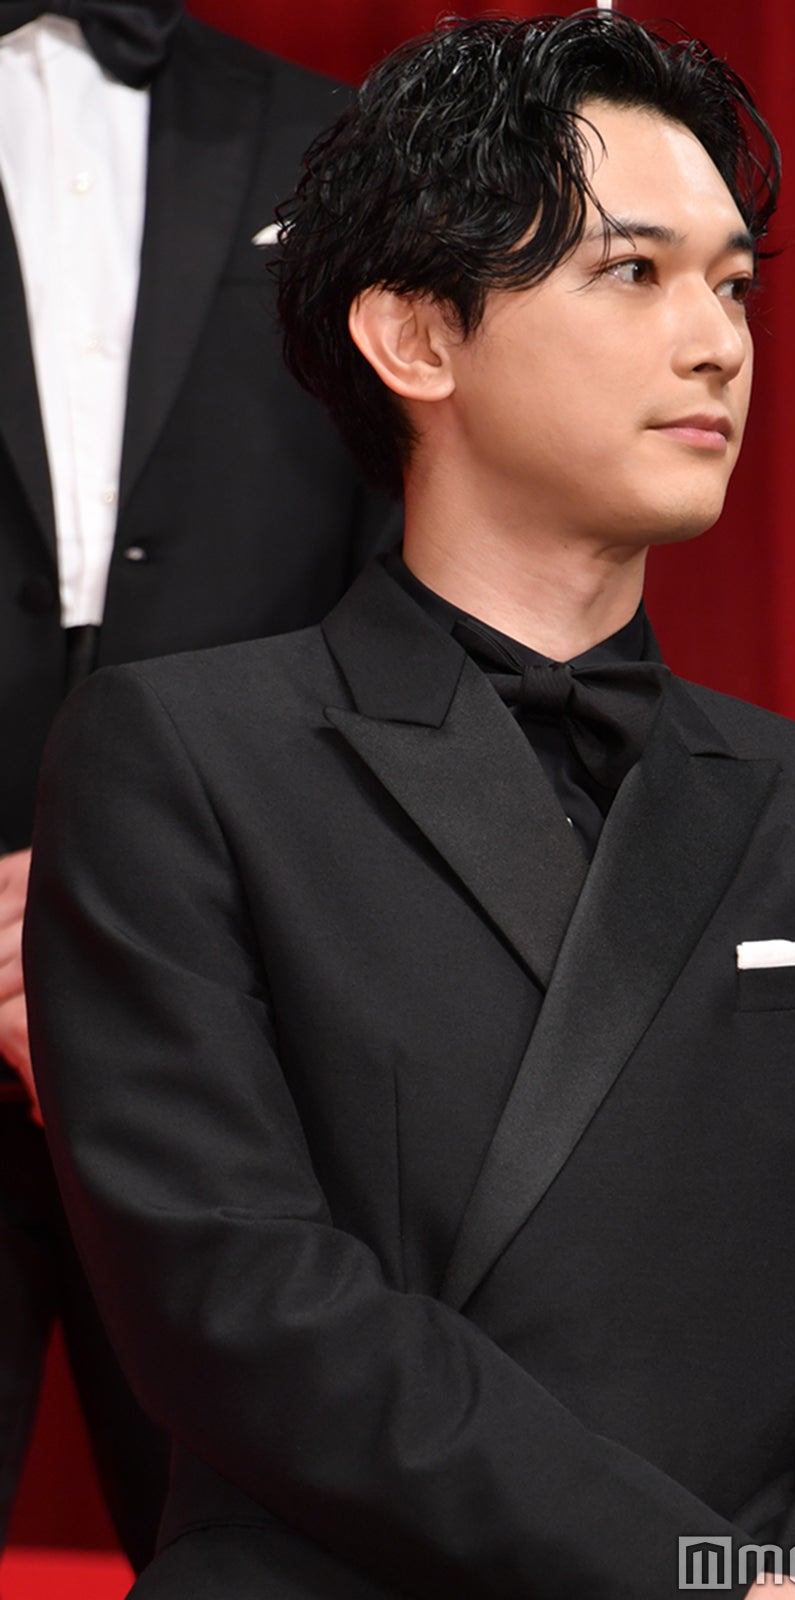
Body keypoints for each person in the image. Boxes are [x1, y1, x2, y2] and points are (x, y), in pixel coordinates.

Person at [24, 11, 795, 1598]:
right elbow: (239, 1296)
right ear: (415, 339)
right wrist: (689, 1579)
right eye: (632, 272)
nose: (716, 343)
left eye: (733, 285)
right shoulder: (183, 762)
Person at [0, 0, 398, 1568]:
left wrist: (172, 911)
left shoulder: (335, 142)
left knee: (255, 1552)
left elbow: (407, 570)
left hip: (233, 1029)